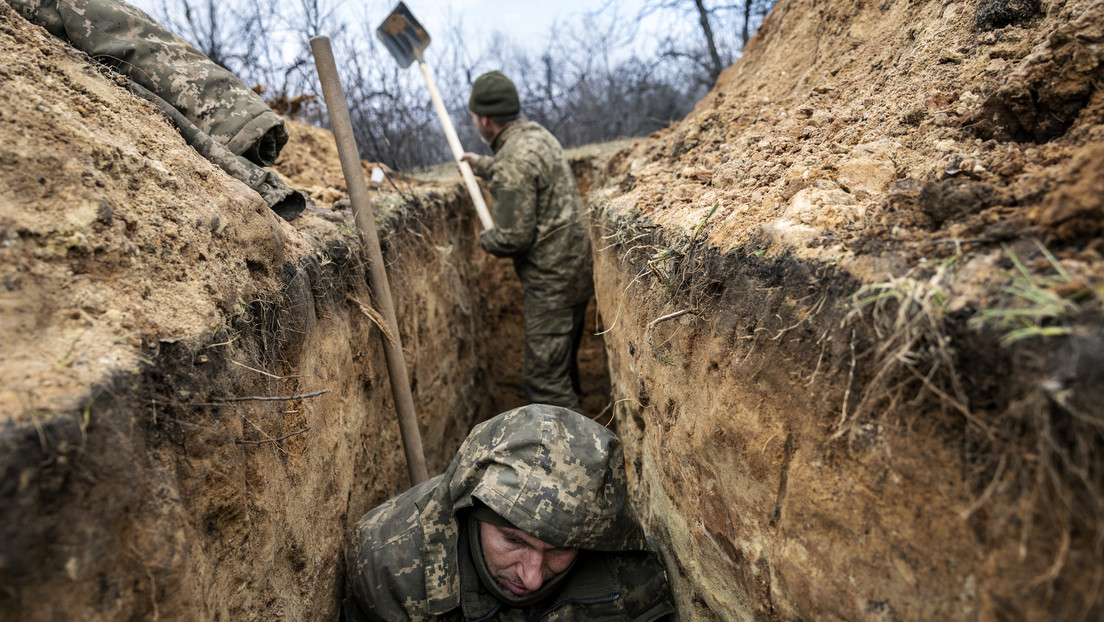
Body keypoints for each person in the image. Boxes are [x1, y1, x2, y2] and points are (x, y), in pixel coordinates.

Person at [345, 404, 676, 621]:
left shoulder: (631, 574)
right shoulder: (389, 564)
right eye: (512, 540)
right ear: (471, 511)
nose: (531, 577)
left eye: (559, 550)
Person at [460, 72, 594, 412]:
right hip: (575, 270)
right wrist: (485, 166)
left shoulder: (513, 160)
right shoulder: (537, 137)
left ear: (486, 120)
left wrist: (483, 239)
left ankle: (572, 461)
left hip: (552, 284)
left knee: (546, 382)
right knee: (561, 366)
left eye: (475, 117)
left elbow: (512, 237)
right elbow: (524, 173)